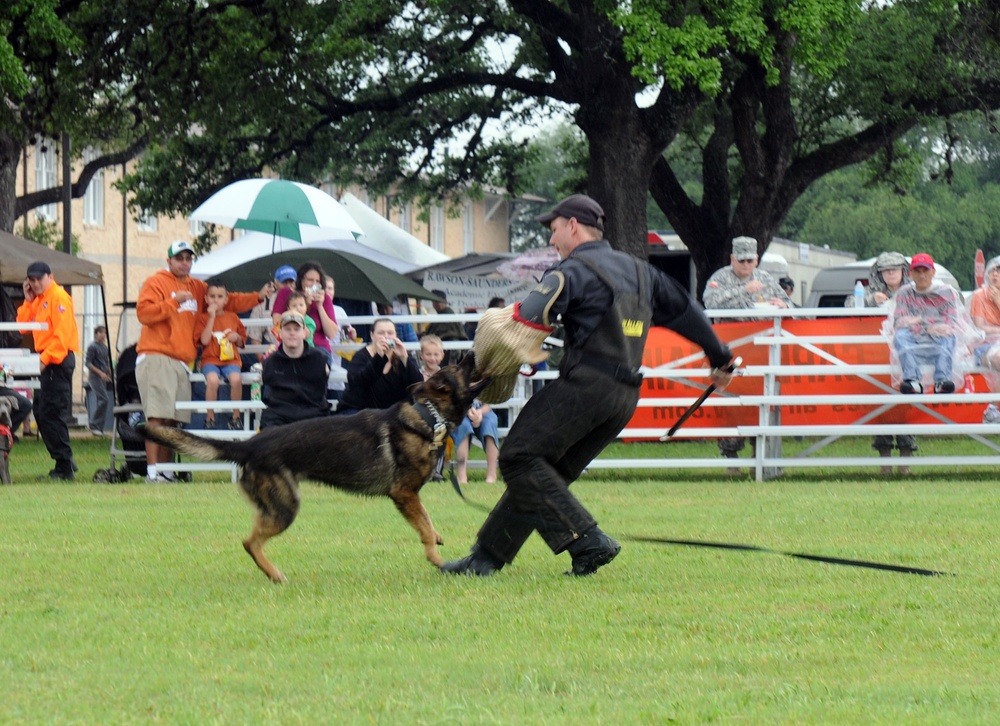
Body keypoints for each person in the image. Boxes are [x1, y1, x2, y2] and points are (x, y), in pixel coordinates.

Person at [442, 194, 733, 577]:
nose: (552, 240)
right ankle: (486, 558)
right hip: (624, 396)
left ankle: (587, 540)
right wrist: (720, 356)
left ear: (573, 226)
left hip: (586, 385)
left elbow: (519, 325)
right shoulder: (643, 272)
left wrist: (469, 378)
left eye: (554, 230)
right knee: (546, 472)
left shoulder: (572, 270)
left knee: (517, 456)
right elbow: (687, 311)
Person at [136, 240, 270, 483]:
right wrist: (174, 302)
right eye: (179, 258)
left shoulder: (198, 287)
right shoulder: (156, 282)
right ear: (169, 261)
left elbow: (227, 301)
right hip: (157, 355)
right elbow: (143, 313)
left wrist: (257, 297)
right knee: (156, 417)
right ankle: (152, 473)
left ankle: (166, 473)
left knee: (172, 420)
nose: (185, 263)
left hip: (181, 361)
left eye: (188, 258)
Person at [702, 236, 790, 472]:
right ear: (732, 259)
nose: (745, 265)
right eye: (740, 260)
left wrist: (782, 305)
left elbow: (788, 303)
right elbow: (710, 302)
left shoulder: (766, 278)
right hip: (728, 347)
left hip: (759, 348)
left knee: (758, 400)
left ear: (757, 260)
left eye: (750, 260)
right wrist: (743, 290)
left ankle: (757, 457)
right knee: (730, 402)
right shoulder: (720, 278)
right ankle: (732, 460)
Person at [847, 252, 915, 473]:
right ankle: (885, 465)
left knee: (906, 408)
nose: (891, 273)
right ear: (879, 273)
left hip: (908, 358)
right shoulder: (870, 291)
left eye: (895, 269)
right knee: (882, 408)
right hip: (876, 356)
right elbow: (849, 305)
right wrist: (870, 300)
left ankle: (905, 466)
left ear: (904, 271)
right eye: (886, 270)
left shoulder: (914, 290)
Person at [16, 261, 80, 480]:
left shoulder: (59, 298)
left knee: (52, 413)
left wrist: (44, 360)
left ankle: (64, 466)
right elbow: (23, 326)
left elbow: (61, 338)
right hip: (48, 360)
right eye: (31, 280)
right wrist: (27, 300)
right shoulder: (40, 299)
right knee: (42, 412)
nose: (35, 284)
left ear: (49, 277)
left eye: (38, 279)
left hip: (57, 360)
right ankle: (64, 460)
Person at [887, 253, 972, 396]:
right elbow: (899, 321)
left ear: (933, 272)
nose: (921, 276)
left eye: (925, 271)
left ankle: (942, 380)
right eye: (917, 271)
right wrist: (929, 325)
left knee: (948, 336)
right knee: (900, 336)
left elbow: (950, 321)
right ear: (911, 274)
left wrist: (918, 321)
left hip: (938, 338)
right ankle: (912, 380)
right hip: (914, 338)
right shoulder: (904, 293)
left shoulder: (946, 292)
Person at [259, 312, 331, 429]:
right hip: (279, 417)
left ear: (304, 332)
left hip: (314, 415)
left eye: (296, 329)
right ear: (280, 332)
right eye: (287, 329)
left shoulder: (320, 359)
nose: (292, 333)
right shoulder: (270, 362)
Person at [338, 317, 423, 414]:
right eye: (381, 333)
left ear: (396, 336)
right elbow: (357, 384)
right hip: (360, 411)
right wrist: (379, 357)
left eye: (390, 333)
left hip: (392, 413)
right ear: (372, 335)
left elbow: (417, 385)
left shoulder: (402, 355)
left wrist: (405, 358)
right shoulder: (361, 356)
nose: (386, 336)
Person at [194, 278, 247, 431]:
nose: (215, 300)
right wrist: (211, 317)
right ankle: (210, 417)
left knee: (236, 379)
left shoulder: (233, 317)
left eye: (219, 296)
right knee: (212, 381)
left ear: (226, 299)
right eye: (212, 296)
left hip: (231, 360)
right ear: (206, 299)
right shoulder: (203, 318)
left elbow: (242, 341)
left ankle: (235, 417)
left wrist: (236, 337)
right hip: (210, 360)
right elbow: (203, 340)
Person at [271, 261, 340, 364]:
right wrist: (302, 305)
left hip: (318, 347)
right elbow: (276, 322)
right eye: (310, 280)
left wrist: (320, 306)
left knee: (314, 366)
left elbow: (331, 334)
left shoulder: (325, 298)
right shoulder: (286, 293)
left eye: (317, 281)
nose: (314, 284)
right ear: (301, 280)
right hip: (290, 345)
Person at [246, 265, 297, 351]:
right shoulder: (263, 303)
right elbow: (255, 339)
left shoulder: (304, 301)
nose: (288, 286)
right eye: (284, 282)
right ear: (275, 284)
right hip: (272, 349)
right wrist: (264, 361)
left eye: (291, 282)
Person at [451, 399, 500, 484]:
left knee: (490, 423)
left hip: (483, 411)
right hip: (459, 411)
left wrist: (479, 412)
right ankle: (461, 476)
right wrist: (468, 411)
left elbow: (488, 403)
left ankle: (492, 475)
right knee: (463, 425)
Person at [325, 275, 356, 403]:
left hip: (337, 367)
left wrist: (352, 336)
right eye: (324, 288)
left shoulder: (340, 311)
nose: (328, 291)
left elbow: (347, 343)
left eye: (331, 288)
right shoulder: (310, 310)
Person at [425, 290, 468, 364]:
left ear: (444, 302)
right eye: (435, 302)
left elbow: (450, 334)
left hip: (448, 353)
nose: (437, 304)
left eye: (439, 301)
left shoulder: (448, 315)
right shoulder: (441, 316)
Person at [85, 325, 112, 435]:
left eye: (104, 333)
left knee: (103, 400)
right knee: (104, 399)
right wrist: (100, 373)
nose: (103, 335)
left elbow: (106, 362)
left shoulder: (105, 347)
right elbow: (88, 363)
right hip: (95, 377)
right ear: (96, 334)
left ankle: (99, 428)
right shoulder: (92, 347)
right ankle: (94, 425)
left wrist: (109, 371)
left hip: (104, 378)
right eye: (101, 332)